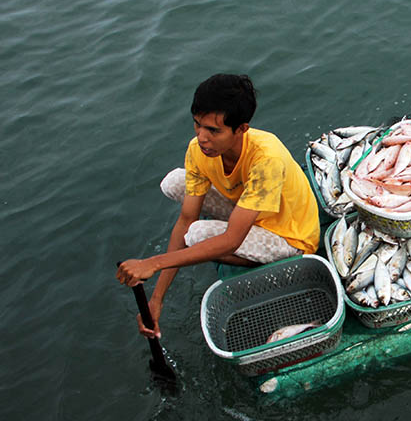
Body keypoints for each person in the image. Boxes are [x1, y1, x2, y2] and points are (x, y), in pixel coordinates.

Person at [116, 73, 320, 339]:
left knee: (198, 235)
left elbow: (232, 240)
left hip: (291, 236)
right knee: (174, 183)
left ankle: (275, 257)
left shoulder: (266, 157)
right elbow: (186, 218)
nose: (202, 138)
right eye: (198, 125)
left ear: (241, 129)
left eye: (213, 131)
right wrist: (156, 300)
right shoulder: (198, 150)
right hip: (253, 211)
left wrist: (153, 263)